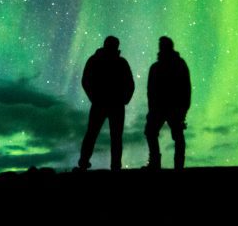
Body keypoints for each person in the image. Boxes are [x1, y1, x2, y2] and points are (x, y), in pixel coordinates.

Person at [76, 35, 135, 171]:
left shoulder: (95, 60)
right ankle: (114, 166)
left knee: (94, 134)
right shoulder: (120, 62)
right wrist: (124, 99)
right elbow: (130, 84)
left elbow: (86, 80)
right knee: (113, 136)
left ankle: (84, 163)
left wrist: (94, 97)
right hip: (113, 104)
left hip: (103, 103)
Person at [144, 36, 191, 170]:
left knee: (173, 135)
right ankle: (173, 165)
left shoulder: (159, 66)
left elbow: (185, 88)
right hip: (165, 108)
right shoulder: (176, 64)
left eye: (162, 45)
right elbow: (151, 91)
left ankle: (160, 163)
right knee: (155, 133)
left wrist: (183, 109)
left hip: (171, 107)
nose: (160, 47)